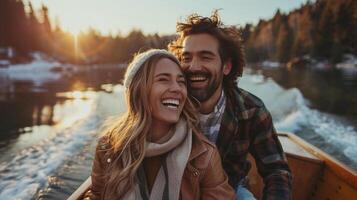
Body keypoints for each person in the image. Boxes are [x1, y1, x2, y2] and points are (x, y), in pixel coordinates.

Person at [169, 11, 292, 200]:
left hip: (231, 189)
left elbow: (276, 172)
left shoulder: (252, 111)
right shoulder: (168, 105)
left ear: (226, 66)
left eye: (206, 57)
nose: (193, 67)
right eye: (186, 58)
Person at [86, 49, 235, 200]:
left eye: (181, 82)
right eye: (163, 79)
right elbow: (96, 196)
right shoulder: (108, 148)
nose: (177, 88)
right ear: (138, 90)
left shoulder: (204, 155)